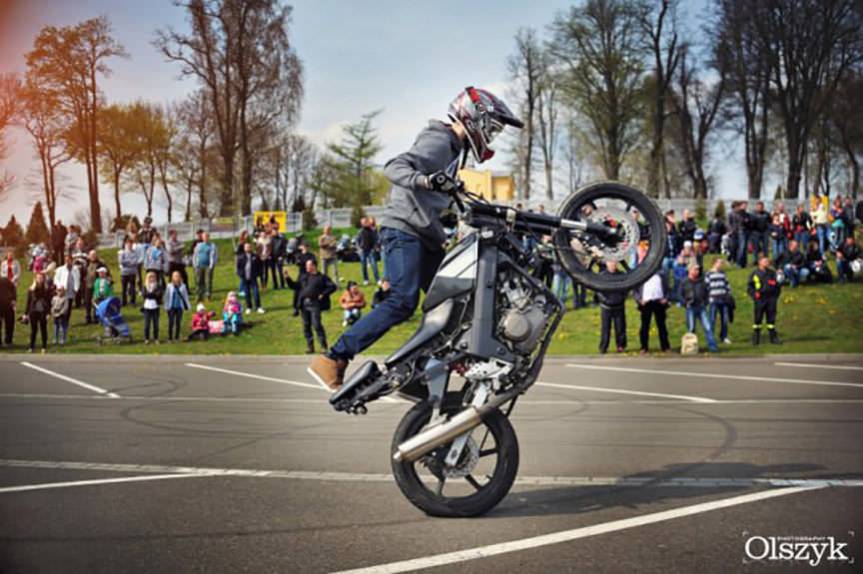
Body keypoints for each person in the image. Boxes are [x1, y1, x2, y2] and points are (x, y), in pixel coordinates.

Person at [308, 88, 522, 388]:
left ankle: (420, 370)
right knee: (402, 300)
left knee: (453, 304)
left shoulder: (455, 152)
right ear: (475, 118)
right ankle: (334, 357)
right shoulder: (440, 140)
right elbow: (395, 167)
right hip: (405, 231)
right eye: (492, 128)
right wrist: (424, 179)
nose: (492, 135)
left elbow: (444, 196)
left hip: (426, 237)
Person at [287, 259, 337, 354]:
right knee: (306, 326)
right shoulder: (304, 277)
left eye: (308, 265)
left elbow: (332, 287)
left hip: (315, 304)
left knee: (317, 324)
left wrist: (323, 294)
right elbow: (295, 286)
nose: (306, 267)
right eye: (306, 265)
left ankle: (323, 346)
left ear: (314, 266)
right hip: (304, 304)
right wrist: (288, 279)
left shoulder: (322, 277)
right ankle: (310, 346)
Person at [682, 264, 719, 353]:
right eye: (695, 270)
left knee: (708, 327)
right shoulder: (684, 282)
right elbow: (679, 294)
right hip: (690, 307)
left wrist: (705, 302)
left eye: (698, 270)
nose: (697, 271)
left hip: (701, 307)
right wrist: (685, 303)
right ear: (690, 270)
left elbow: (707, 292)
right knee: (691, 328)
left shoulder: (702, 281)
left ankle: (713, 347)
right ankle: (691, 348)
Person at [633, 269, 670, 354]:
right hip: (646, 303)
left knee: (662, 326)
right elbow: (635, 290)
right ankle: (644, 347)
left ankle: (665, 346)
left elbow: (667, 288)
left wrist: (666, 299)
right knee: (645, 326)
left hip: (659, 302)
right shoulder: (642, 275)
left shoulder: (661, 274)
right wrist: (639, 300)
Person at [748, 256, 782, 345]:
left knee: (771, 319)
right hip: (760, 299)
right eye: (765, 261)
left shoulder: (772, 273)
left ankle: (773, 338)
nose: (767, 263)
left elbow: (777, 285)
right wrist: (754, 294)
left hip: (771, 298)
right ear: (760, 262)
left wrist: (775, 296)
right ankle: (756, 338)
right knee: (758, 318)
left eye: (767, 261)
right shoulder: (755, 273)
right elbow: (750, 287)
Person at [597, 260, 627, 354]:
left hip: (619, 305)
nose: (612, 265)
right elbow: (598, 290)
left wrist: (622, 298)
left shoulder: (621, 275)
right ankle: (603, 347)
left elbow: (626, 288)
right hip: (606, 306)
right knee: (605, 328)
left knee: (620, 327)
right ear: (607, 264)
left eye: (614, 263)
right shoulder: (602, 276)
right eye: (610, 263)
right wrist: (604, 300)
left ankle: (621, 345)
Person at [705, 258, 732, 345]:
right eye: (719, 263)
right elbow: (706, 286)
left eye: (721, 263)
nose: (721, 264)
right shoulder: (709, 274)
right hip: (713, 299)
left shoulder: (722, 274)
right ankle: (711, 336)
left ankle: (724, 336)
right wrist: (708, 297)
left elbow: (727, 284)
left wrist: (728, 294)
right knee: (712, 319)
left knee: (724, 319)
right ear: (714, 263)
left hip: (723, 299)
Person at [26, 271, 51, 353]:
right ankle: (31, 347)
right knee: (33, 330)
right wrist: (25, 314)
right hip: (33, 311)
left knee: (43, 329)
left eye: (41, 278)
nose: (40, 279)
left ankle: (44, 347)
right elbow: (28, 302)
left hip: (42, 311)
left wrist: (48, 313)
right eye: (38, 278)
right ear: (35, 279)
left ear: (43, 279)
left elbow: (48, 302)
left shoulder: (46, 289)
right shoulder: (31, 289)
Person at [236, 242, 265, 314]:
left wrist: (258, 274)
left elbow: (260, 266)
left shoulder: (255, 256)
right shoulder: (241, 257)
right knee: (247, 293)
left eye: (249, 247)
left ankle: (258, 307)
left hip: (253, 278)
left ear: (251, 248)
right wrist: (240, 274)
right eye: (246, 247)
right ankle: (249, 307)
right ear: (244, 248)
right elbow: (238, 267)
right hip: (245, 278)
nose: (248, 248)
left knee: (256, 293)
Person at [53, 254, 79, 328]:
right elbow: (56, 279)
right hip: (62, 291)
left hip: (71, 291)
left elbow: (77, 279)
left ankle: (66, 322)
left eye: (69, 260)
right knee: (62, 307)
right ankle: (60, 321)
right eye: (66, 260)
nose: (67, 262)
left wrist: (76, 288)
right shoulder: (60, 269)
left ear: (72, 260)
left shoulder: (75, 269)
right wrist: (59, 286)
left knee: (69, 307)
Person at [291, 243, 318, 316]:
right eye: (303, 246)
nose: (305, 248)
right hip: (302, 275)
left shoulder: (311, 255)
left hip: (309, 275)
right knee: (297, 291)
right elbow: (297, 263)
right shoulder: (299, 255)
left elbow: (315, 264)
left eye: (306, 246)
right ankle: (295, 308)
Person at [164, 270, 191, 342]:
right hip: (171, 306)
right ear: (172, 277)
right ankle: (170, 337)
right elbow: (166, 296)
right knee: (171, 322)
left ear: (180, 277)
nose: (176, 277)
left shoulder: (183, 286)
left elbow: (185, 296)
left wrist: (187, 306)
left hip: (179, 307)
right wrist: (166, 306)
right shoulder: (169, 286)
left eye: (178, 276)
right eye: (175, 276)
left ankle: (176, 337)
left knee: (178, 322)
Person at [193, 232, 218, 302]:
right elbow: (195, 255)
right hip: (199, 266)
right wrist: (195, 264)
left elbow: (215, 256)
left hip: (208, 266)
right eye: (204, 237)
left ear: (209, 237)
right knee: (199, 281)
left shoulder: (212, 246)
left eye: (207, 236)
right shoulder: (199, 245)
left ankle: (208, 296)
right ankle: (199, 296)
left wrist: (212, 265)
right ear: (202, 238)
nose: (206, 238)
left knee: (208, 281)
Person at [141, 271, 163, 345]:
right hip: (147, 307)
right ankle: (146, 339)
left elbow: (158, 294)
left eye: (153, 277)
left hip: (155, 307)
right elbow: (144, 295)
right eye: (150, 277)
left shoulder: (158, 286)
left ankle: (156, 338)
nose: (151, 278)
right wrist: (152, 294)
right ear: (147, 278)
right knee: (147, 325)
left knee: (156, 324)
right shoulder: (145, 286)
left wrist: (150, 295)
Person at [357, 217, 380, 286]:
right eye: (362, 222)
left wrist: (375, 247)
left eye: (365, 222)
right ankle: (366, 280)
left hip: (371, 250)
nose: (364, 223)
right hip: (363, 250)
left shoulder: (372, 230)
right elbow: (357, 241)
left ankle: (377, 279)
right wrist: (359, 249)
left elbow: (376, 239)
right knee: (363, 266)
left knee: (374, 265)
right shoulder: (360, 231)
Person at [118, 238, 139, 306]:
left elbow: (135, 261)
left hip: (132, 272)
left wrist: (127, 262)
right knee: (124, 288)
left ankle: (132, 301)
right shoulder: (122, 252)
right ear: (126, 244)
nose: (129, 245)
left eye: (131, 244)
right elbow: (121, 261)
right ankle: (124, 301)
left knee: (132, 288)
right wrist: (130, 262)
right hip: (124, 273)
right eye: (128, 244)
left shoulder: (135, 252)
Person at [0, 275, 16, 347]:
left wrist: (14, 300)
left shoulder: (5, 280)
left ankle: (8, 341)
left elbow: (13, 289)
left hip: (8, 306)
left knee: (9, 324)